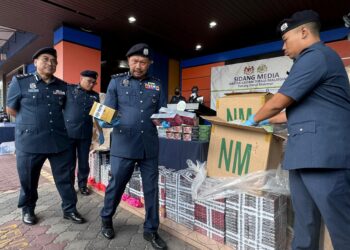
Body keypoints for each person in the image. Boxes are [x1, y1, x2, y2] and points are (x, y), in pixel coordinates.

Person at [244, 10, 350, 250]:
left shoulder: (316, 56)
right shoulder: (312, 60)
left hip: (325, 158)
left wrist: (254, 118)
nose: (283, 47)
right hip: (303, 157)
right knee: (305, 224)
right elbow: (292, 111)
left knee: (342, 228)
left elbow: (278, 102)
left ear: (304, 32)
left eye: (285, 39)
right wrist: (265, 122)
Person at [99, 43, 167, 250]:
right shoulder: (116, 83)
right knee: (117, 184)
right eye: (135, 61)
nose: (139, 66)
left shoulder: (156, 84)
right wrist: (105, 120)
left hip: (149, 145)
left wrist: (167, 120)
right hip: (124, 144)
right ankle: (106, 218)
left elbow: (162, 111)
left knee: (151, 189)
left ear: (150, 64)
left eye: (143, 62)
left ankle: (151, 230)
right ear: (128, 61)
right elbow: (107, 111)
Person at [6, 47, 85, 225]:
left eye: (53, 60)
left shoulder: (62, 86)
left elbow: (66, 109)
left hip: (58, 141)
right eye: (45, 59)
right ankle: (28, 210)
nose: (50, 63)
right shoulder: (20, 82)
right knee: (28, 180)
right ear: (35, 62)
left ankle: (70, 210)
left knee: (65, 179)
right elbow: (10, 108)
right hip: (30, 142)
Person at [64, 70, 100, 195]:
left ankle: (83, 185)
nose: (91, 84)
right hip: (69, 133)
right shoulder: (68, 89)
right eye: (89, 81)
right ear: (81, 78)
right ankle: (69, 186)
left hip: (85, 134)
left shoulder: (95, 96)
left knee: (84, 162)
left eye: (94, 83)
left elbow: (98, 114)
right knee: (69, 162)